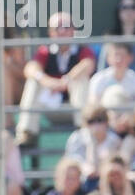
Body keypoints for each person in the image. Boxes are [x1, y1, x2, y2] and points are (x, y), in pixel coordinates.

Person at [15, 11, 95, 145]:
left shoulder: (82, 49)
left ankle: (84, 133)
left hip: (74, 106)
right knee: (33, 82)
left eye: (66, 27)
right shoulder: (45, 51)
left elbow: (88, 64)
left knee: (80, 80)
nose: (62, 31)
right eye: (57, 28)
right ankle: (26, 133)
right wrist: (48, 82)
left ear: (74, 30)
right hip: (48, 106)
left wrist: (68, 79)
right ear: (51, 32)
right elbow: (30, 68)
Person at [88, 41, 135, 107]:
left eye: (122, 55)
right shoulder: (98, 79)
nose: (119, 60)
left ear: (130, 58)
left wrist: (128, 116)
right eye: (116, 55)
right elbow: (93, 106)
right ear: (108, 58)